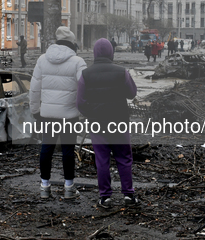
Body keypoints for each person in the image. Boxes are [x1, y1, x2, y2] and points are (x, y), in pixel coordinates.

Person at [77, 38, 138, 208]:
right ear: (112, 52)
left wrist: (92, 114)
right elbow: (132, 93)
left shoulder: (85, 75)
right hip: (119, 122)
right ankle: (128, 194)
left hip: (98, 124)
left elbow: (80, 103)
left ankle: (105, 197)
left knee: (102, 160)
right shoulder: (122, 72)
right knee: (124, 158)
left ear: (95, 53)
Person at [30, 26, 87, 199]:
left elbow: (34, 88)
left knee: (46, 148)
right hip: (69, 116)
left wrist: (35, 111)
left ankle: (44, 187)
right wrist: (84, 111)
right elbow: (85, 89)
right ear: (72, 44)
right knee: (68, 150)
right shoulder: (78, 62)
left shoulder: (42, 60)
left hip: (47, 115)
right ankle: (69, 187)